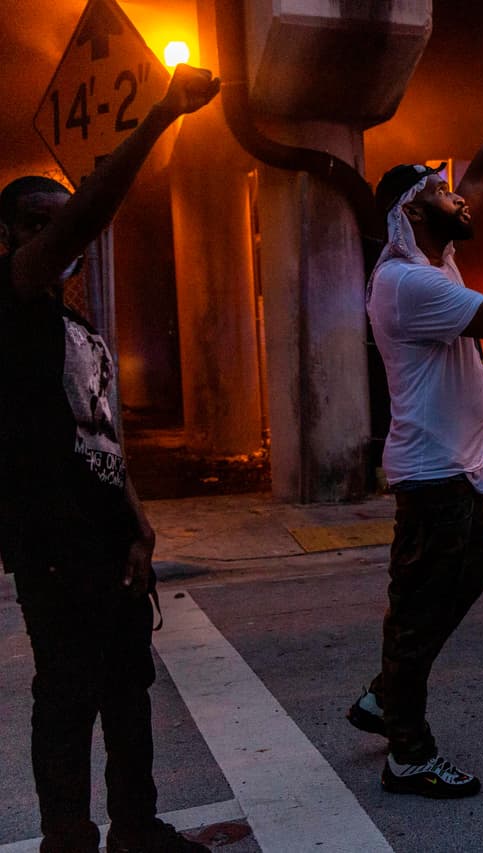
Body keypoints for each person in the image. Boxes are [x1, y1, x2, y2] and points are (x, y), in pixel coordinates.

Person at [0, 66, 220, 853]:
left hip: (108, 542)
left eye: (62, 222)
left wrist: (139, 528)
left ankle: (136, 826)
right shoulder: (13, 301)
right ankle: (69, 838)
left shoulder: (79, 331)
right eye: (40, 223)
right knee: (68, 694)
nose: (62, 236)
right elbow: (82, 218)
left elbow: (103, 438)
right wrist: (160, 113)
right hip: (53, 546)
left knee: (129, 687)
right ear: (14, 238)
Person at [345, 38, 483, 798]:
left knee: (460, 585)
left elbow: (480, 167)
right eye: (444, 193)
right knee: (417, 611)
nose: (462, 197)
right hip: (434, 474)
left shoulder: (432, 255)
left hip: (461, 469)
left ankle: (385, 693)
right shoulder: (410, 282)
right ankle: (408, 748)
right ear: (414, 210)